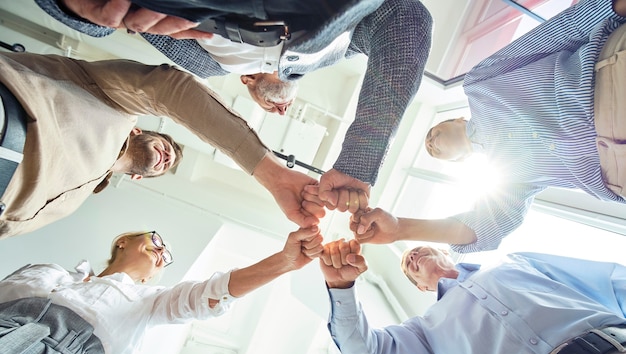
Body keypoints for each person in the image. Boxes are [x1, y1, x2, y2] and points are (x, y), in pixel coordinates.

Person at [34, 0, 434, 211]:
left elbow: (405, 17)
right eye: (276, 107)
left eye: (276, 110)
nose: (280, 109)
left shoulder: (202, 66)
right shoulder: (330, 43)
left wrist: (78, 11)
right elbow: (404, 17)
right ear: (248, 81)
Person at [351, 0, 626, 253]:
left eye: (432, 134)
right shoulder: (506, 181)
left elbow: (561, 32)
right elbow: (484, 227)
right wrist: (400, 229)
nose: (431, 143)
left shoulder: (479, 84)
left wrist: (613, 6)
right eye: (433, 150)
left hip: (610, 77)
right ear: (459, 160)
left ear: (457, 119)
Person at [0, 226, 323, 354]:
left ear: (154, 275)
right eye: (156, 241)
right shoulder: (50, 270)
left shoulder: (148, 302)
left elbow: (208, 295)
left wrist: (284, 262)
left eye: (165, 256)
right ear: (122, 241)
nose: (161, 251)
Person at [0, 51, 324, 238]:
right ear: (140, 130)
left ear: (138, 178)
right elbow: (168, 89)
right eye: (167, 143)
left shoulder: (72, 202)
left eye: (168, 166)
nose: (168, 156)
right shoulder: (113, 103)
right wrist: (272, 174)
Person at [319, 239, 626, 354]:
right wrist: (340, 286)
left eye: (418, 249)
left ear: (445, 252)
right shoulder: (425, 331)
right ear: (421, 288)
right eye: (407, 266)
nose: (411, 256)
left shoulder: (515, 262)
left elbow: (611, 282)